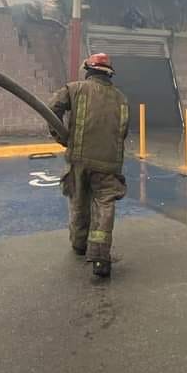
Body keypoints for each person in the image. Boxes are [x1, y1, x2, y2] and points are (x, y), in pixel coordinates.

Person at [50, 53, 130, 279]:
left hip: (79, 159)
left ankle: (79, 244)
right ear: (109, 74)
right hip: (109, 162)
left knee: (79, 199)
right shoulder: (122, 99)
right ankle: (100, 258)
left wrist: (62, 136)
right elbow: (122, 131)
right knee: (105, 204)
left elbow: (52, 108)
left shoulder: (73, 89)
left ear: (89, 70)